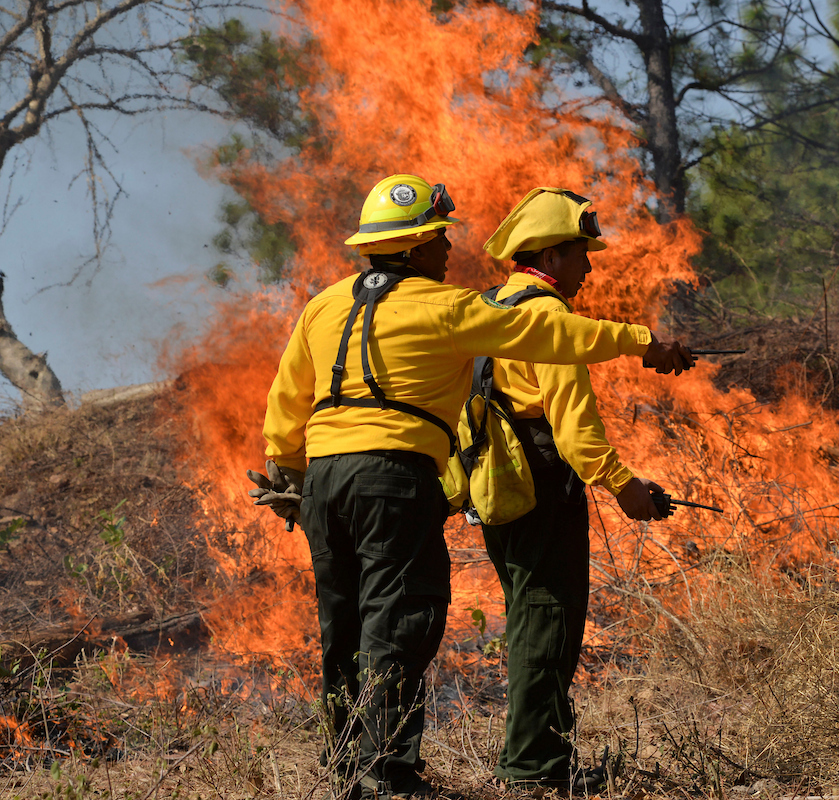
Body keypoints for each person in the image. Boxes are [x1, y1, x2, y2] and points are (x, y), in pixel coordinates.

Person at [246, 174, 693, 800]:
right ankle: (390, 776)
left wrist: (288, 471)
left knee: (342, 622)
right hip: (395, 478)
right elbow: (557, 336)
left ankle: (348, 766)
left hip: (324, 478)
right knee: (399, 621)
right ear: (418, 245)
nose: (450, 250)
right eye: (441, 238)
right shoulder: (446, 306)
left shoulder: (322, 306)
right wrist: (642, 341)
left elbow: (285, 404)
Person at [470, 187, 667, 789]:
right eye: (581, 253)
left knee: (530, 617)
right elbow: (576, 430)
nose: (589, 265)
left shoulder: (488, 307)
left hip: (497, 484)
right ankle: (533, 767)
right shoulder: (547, 317)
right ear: (551, 257)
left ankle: (548, 754)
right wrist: (624, 487)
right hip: (543, 482)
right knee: (547, 621)